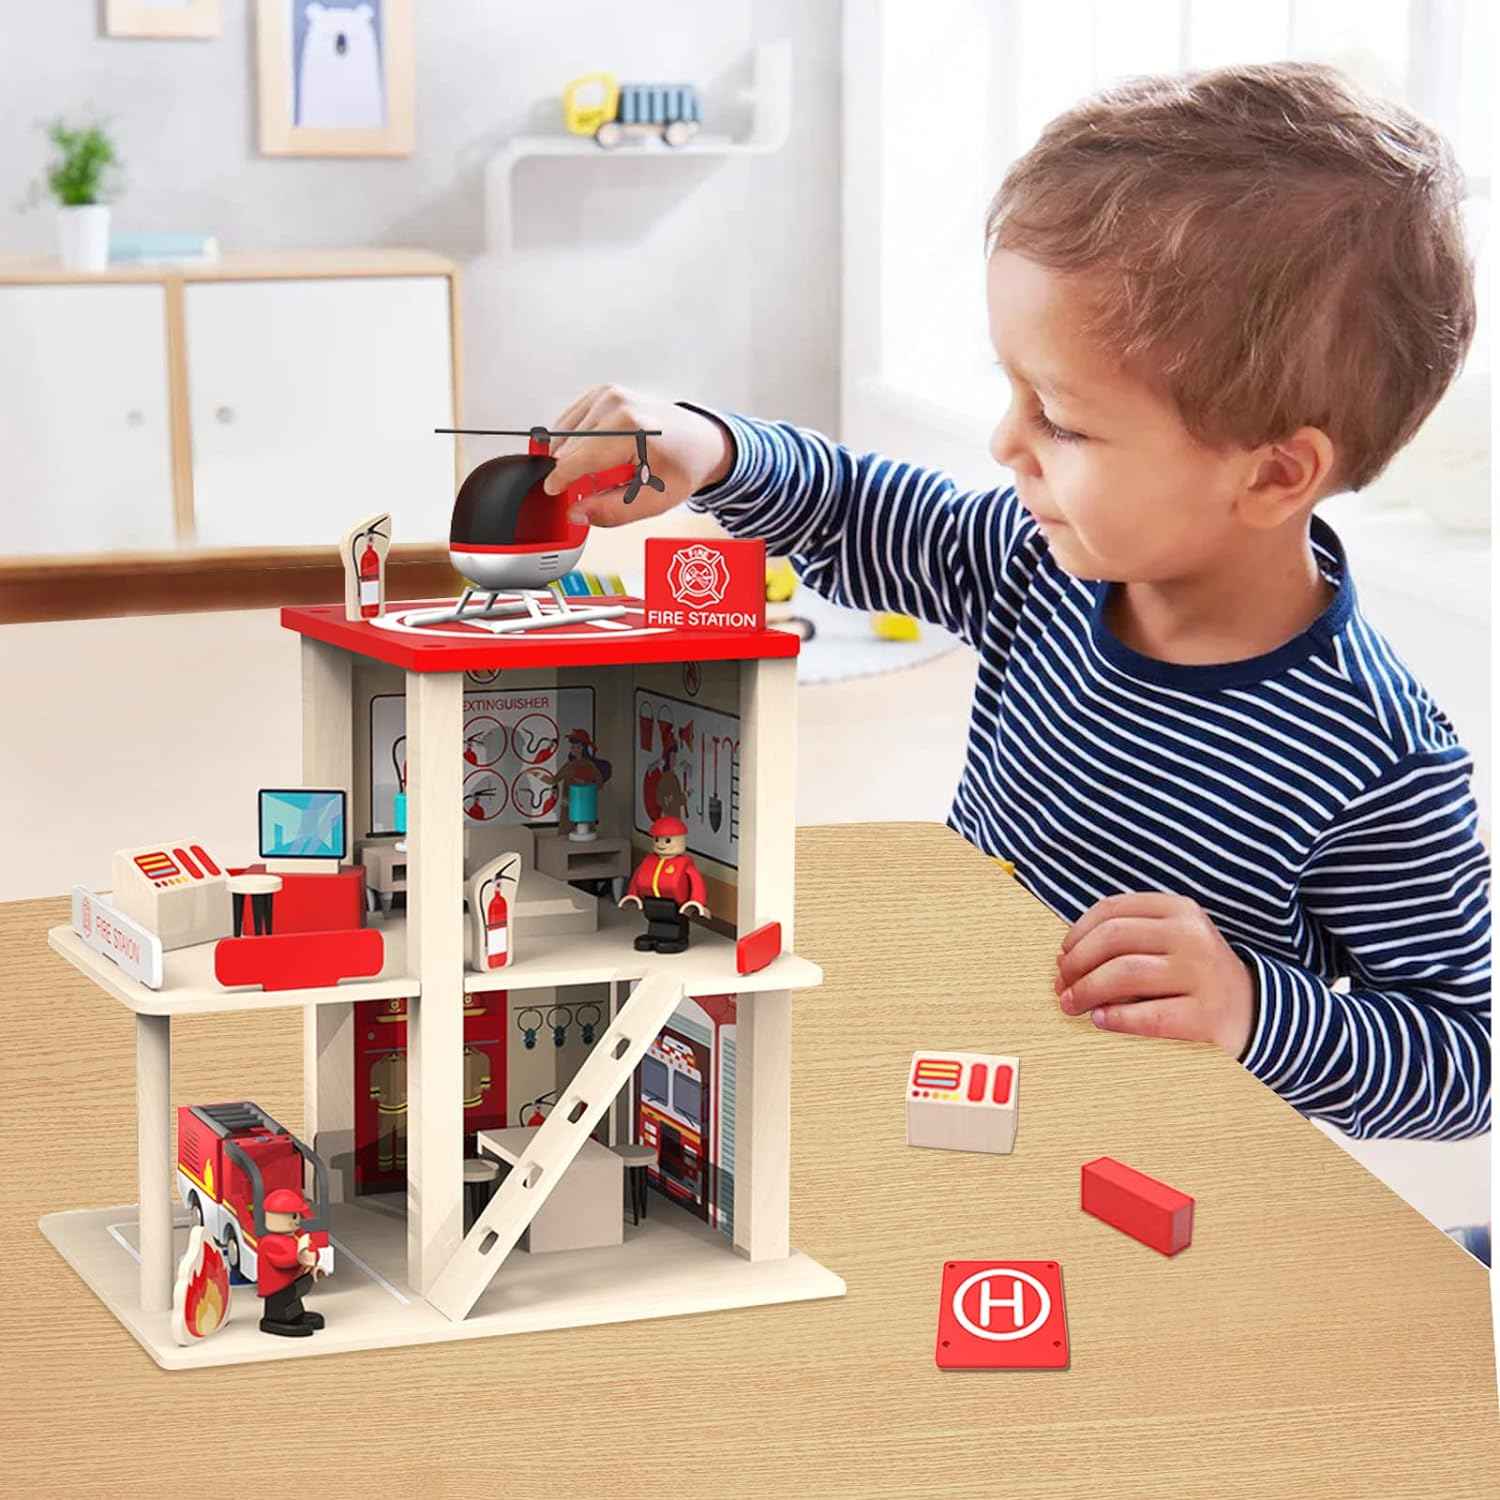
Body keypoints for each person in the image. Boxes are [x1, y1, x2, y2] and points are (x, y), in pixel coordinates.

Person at [541, 63, 1490, 1146]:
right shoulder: (1035, 563)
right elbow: (856, 508)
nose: (1006, 443)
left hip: (1164, 1153)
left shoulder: (1379, 755)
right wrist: (712, 448)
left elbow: (1464, 1062)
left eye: (1063, 421)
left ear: (1275, 475)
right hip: (964, 1064)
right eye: (1013, 390)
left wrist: (1250, 1007)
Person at [621, 815, 708, 954]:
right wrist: (632, 895)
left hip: (676, 905)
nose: (661, 844)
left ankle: (678, 938)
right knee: (654, 917)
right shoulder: (649, 861)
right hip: (650, 902)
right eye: (657, 839)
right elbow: (637, 877)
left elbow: (697, 883)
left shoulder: (685, 864)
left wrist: (697, 902)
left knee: (674, 920)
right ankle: (654, 935)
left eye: (667, 840)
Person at [257, 1186, 324, 1337]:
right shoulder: (270, 1241)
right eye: (293, 1216)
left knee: (294, 1298)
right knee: (282, 1302)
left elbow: (311, 1250)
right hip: (278, 1287)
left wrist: (311, 1254)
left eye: (297, 1216)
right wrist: (299, 1257)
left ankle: (296, 1315)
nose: (297, 1221)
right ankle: (278, 1319)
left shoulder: (296, 1236)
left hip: (293, 1281)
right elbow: (281, 1261)